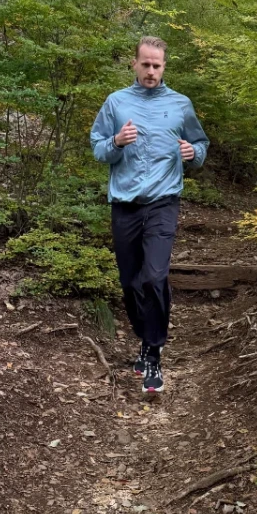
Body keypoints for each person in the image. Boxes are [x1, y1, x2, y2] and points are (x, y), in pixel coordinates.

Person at [90, 37, 209, 394]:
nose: (151, 71)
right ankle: (144, 338)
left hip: (163, 201)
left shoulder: (180, 105)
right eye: (146, 64)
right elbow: (97, 148)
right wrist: (116, 143)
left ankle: (154, 353)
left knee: (154, 277)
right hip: (125, 202)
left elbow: (200, 145)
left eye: (157, 65)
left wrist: (193, 153)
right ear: (135, 64)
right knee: (129, 282)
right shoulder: (116, 103)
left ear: (164, 67)